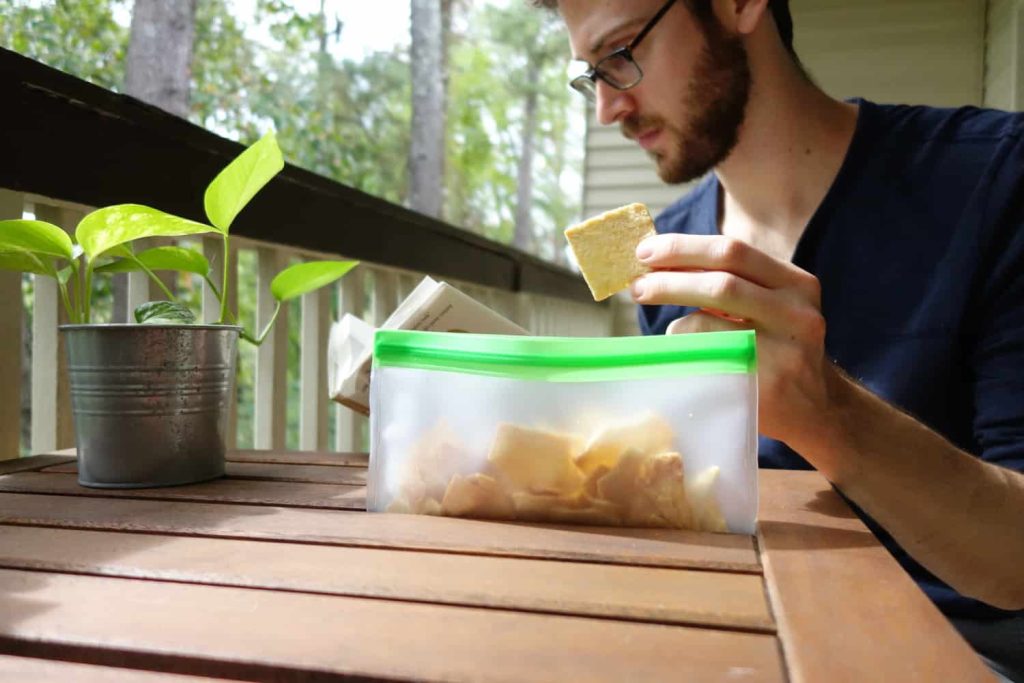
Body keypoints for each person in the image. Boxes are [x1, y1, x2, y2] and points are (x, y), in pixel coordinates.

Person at [534, 0, 1024, 679]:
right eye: (593, 75)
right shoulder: (671, 255)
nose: (608, 109)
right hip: (745, 639)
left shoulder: (997, 179)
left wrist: (829, 414)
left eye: (621, 54)